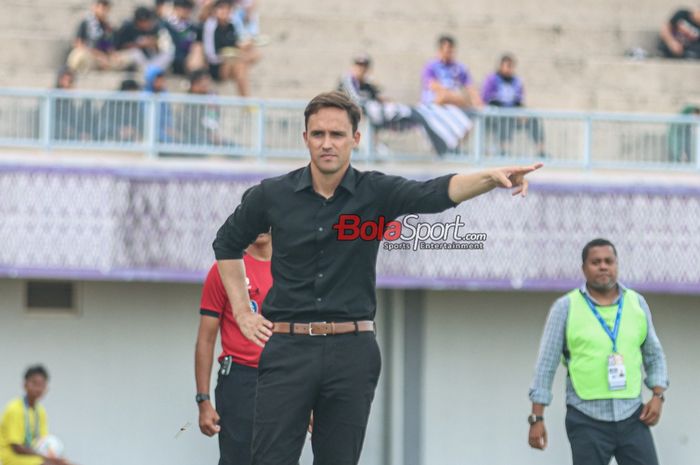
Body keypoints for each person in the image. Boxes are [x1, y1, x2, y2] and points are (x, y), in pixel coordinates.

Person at [212, 90, 542, 465]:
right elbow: (227, 242)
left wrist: (489, 177)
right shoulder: (272, 194)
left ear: (356, 138)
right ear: (305, 138)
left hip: (352, 351)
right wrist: (241, 311)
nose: (326, 144)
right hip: (288, 348)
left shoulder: (376, 192)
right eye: (317, 134)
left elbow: (433, 193)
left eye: (337, 134)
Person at [528, 238, 669, 465]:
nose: (603, 266)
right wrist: (537, 417)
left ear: (617, 265)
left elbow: (654, 354)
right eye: (595, 262)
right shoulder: (565, 307)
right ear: (584, 268)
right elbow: (546, 364)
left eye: (608, 261)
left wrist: (658, 395)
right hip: (586, 418)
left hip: (633, 415)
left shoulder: (636, 303)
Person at [195, 231, 272, 465]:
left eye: (264, 215)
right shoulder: (225, 269)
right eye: (253, 215)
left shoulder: (292, 269)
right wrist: (203, 400)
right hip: (240, 379)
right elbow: (206, 339)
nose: (259, 225)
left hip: (284, 378)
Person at [0, 366, 71, 465]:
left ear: (46, 388)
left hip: (33, 456)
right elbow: (16, 447)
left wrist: (56, 457)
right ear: (25, 385)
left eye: (42, 385)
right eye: (34, 384)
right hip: (13, 458)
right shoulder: (15, 408)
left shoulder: (40, 411)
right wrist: (47, 458)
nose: (38, 388)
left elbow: (43, 442)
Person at [481, 54, 547, 158]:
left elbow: (519, 101)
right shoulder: (492, 79)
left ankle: (541, 150)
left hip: (512, 114)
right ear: (501, 66)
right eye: (507, 66)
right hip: (496, 115)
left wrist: (522, 114)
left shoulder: (517, 81)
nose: (509, 69)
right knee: (503, 120)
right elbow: (486, 98)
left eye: (511, 66)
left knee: (533, 120)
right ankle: (503, 150)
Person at [202, 0, 259, 96]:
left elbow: (235, 43)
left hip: (230, 63)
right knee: (240, 65)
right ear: (215, 10)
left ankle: (247, 103)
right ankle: (247, 103)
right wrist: (227, 56)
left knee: (244, 64)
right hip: (217, 67)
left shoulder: (231, 25)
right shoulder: (211, 25)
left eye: (227, 9)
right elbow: (211, 55)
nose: (225, 11)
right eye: (221, 8)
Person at [420, 35, 482, 109]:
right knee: (443, 97)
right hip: (435, 102)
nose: (450, 54)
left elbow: (470, 88)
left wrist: (478, 102)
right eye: (447, 51)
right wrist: (457, 98)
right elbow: (435, 86)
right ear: (440, 50)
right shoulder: (430, 67)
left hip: (455, 103)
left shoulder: (460, 68)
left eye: (451, 51)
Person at [114, 6, 174, 71]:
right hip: (132, 57)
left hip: (148, 60)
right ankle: (150, 70)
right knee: (136, 53)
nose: (146, 23)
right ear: (137, 21)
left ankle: (151, 69)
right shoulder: (127, 28)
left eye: (147, 20)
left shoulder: (153, 29)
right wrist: (139, 44)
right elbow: (119, 46)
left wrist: (154, 43)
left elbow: (159, 48)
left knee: (168, 55)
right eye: (143, 21)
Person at [52, 67, 95, 142]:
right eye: (65, 80)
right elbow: (56, 118)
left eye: (70, 81)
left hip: (73, 128)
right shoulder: (53, 96)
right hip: (58, 130)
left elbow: (77, 117)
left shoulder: (73, 96)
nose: (67, 83)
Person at [165, 0, 205, 75]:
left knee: (198, 47)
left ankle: (196, 76)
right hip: (174, 58)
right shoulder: (167, 25)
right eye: (182, 7)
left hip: (189, 58)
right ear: (175, 8)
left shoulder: (193, 27)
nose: (185, 10)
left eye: (188, 8)